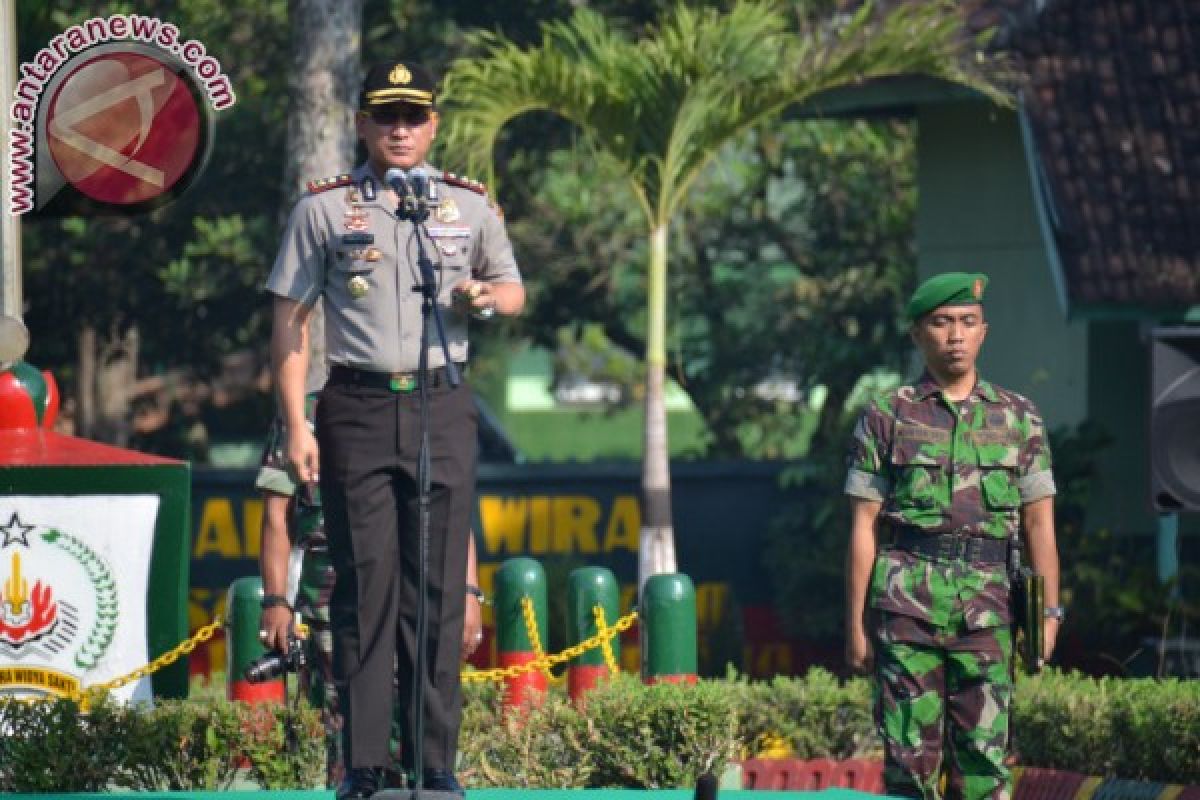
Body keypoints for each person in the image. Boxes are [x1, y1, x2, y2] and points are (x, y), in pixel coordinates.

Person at [266, 59, 524, 800]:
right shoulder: (324, 208)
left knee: (439, 590)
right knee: (366, 587)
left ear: (434, 124)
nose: (401, 129)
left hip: (442, 402)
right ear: (363, 125)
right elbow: (290, 322)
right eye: (386, 116)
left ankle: (434, 762)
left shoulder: (468, 205)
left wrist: (485, 296)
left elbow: (512, 287)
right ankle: (366, 764)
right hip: (355, 404)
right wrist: (296, 422)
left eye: (414, 117)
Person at [843, 272, 1062, 800]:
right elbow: (863, 526)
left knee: (985, 768)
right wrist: (855, 624)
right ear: (918, 334)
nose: (956, 335)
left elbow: (1040, 527)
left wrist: (1050, 614)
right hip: (905, 609)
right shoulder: (886, 414)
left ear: (984, 332)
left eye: (967, 322)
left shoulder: (1018, 417)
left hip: (988, 611)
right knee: (908, 768)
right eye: (941, 323)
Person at [254, 394, 485, 788]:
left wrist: (468, 592)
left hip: (415, 590)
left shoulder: (417, 406)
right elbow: (278, 516)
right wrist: (277, 601)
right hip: (334, 599)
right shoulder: (303, 418)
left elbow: (451, 514)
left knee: (422, 718)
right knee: (346, 730)